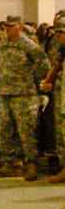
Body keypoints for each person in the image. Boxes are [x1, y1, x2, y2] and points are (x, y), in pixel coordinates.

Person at [0, 16, 48, 180]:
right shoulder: (2, 45)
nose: (8, 29)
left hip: (24, 95)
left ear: (20, 27)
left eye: (12, 26)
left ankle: (31, 163)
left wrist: (32, 80)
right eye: (7, 26)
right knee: (4, 131)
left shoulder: (28, 45)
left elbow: (44, 65)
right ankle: (9, 163)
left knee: (26, 132)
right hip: (5, 94)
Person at [41, 16, 65, 183]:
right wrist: (49, 82)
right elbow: (57, 68)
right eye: (57, 34)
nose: (58, 37)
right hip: (62, 100)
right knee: (61, 136)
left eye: (61, 33)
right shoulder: (62, 51)